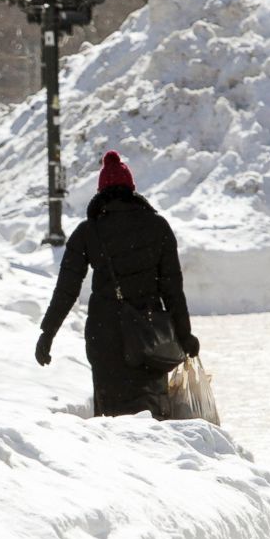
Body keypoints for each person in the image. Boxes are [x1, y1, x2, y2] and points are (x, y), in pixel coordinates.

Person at [35, 150, 200, 419]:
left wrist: (48, 333)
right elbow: (172, 289)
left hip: (105, 336)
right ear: (131, 190)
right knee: (152, 415)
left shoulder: (88, 232)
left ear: (101, 192)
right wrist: (185, 335)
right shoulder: (157, 227)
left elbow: (66, 289)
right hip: (149, 336)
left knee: (112, 421)